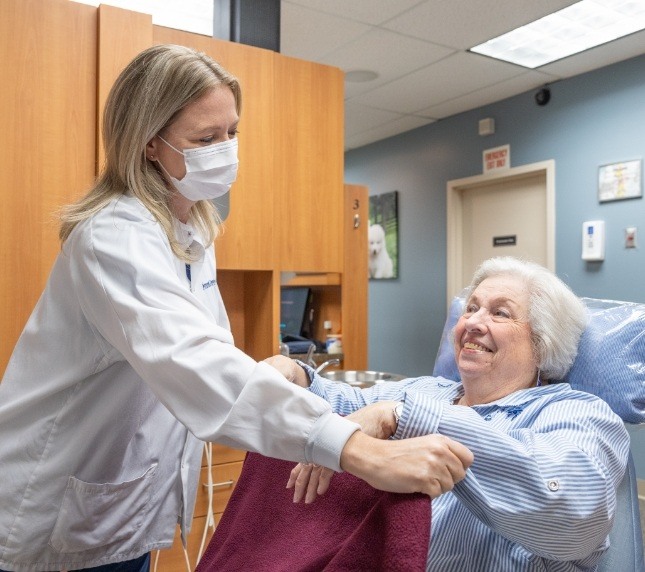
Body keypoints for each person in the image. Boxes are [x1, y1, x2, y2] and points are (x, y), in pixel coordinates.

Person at [0, 44, 473, 572]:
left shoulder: (192, 230)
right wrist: (360, 450)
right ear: (149, 144)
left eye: (231, 133)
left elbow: (206, 352)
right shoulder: (112, 237)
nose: (224, 150)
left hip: (120, 505)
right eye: (204, 139)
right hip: (54, 503)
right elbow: (195, 363)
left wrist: (275, 371)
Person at [265, 256, 630, 571]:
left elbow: (572, 512)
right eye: (471, 308)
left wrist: (399, 416)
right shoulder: (427, 391)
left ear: (542, 342)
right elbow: (342, 403)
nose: (472, 322)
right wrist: (298, 377)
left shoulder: (579, 414)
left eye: (500, 313)